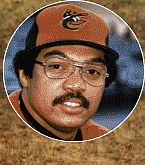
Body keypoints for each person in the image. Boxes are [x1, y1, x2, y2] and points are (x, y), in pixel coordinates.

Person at [8, 3, 119, 141]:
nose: (77, 85)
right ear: (24, 75)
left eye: (91, 71)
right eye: (57, 67)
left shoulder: (102, 139)